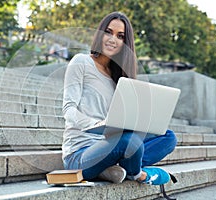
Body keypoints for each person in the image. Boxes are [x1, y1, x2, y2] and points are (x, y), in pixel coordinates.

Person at [62, 11, 177, 185]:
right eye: (108, 32)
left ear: (125, 43)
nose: (112, 39)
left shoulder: (120, 79)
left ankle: (116, 168)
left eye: (120, 36)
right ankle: (138, 174)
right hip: (80, 153)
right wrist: (95, 125)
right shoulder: (81, 62)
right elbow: (68, 109)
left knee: (168, 137)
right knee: (128, 142)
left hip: (111, 144)